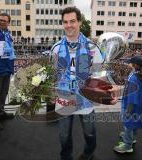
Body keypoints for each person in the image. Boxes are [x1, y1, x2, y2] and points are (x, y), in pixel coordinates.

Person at [50, 7, 117, 160]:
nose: (69, 25)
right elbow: (54, 75)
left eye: (72, 21)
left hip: (86, 99)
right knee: (64, 135)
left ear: (80, 22)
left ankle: (88, 153)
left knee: (90, 132)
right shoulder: (56, 48)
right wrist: (51, 93)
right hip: (64, 97)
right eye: (65, 22)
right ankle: (66, 157)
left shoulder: (92, 48)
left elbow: (100, 75)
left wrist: (108, 95)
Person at [114, 56, 142, 154]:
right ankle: (132, 137)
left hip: (131, 105)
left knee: (128, 124)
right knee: (134, 122)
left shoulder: (133, 79)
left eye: (129, 63)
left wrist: (128, 111)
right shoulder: (137, 74)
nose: (128, 64)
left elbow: (132, 97)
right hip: (137, 106)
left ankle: (128, 145)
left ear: (134, 65)